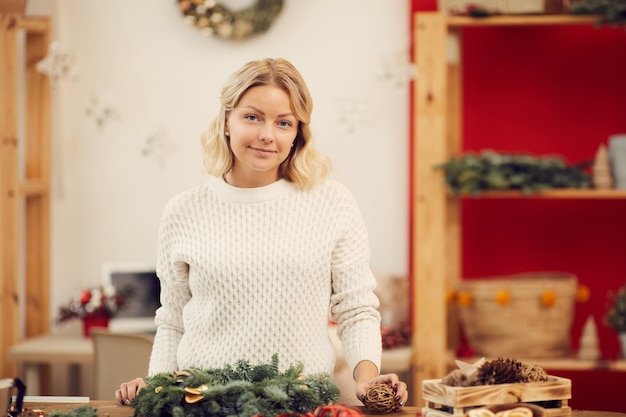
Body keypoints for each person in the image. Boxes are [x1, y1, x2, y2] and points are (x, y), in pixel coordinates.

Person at [115, 57, 408, 410]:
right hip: (205, 405)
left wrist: (366, 378)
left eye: (283, 122)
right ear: (226, 121)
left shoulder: (333, 202)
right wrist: (156, 385)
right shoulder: (183, 211)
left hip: (304, 405)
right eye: (252, 117)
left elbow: (357, 309)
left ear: (298, 132)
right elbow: (172, 318)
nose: (267, 135)